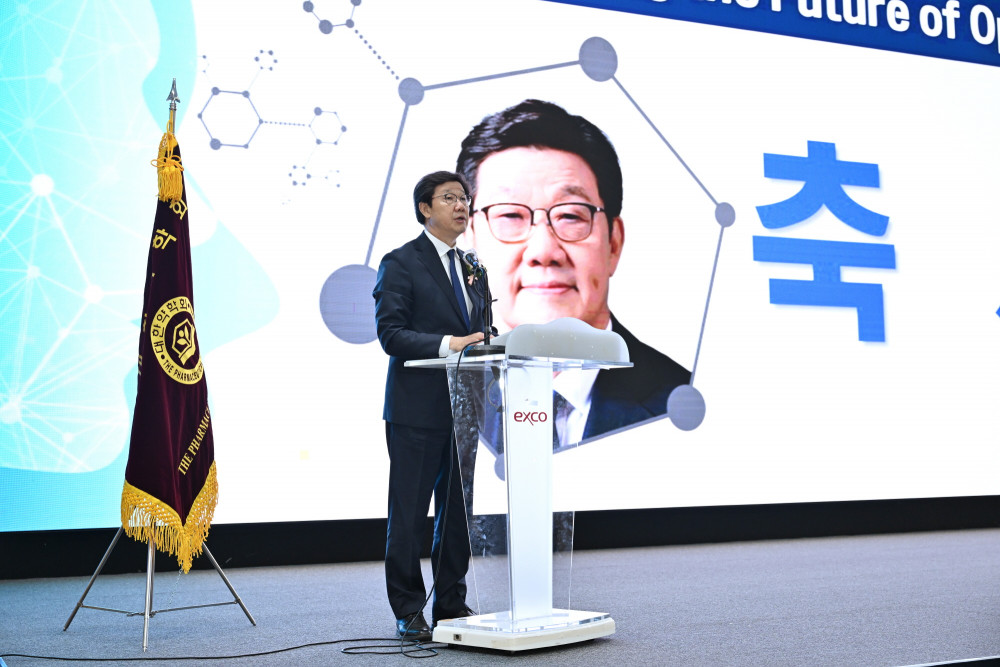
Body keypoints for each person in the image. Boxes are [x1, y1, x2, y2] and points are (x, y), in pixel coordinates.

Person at [457, 99, 690, 446]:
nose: (543, 251)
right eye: (510, 215)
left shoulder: (690, 404)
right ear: (469, 247)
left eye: (570, 215)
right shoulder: (423, 403)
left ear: (613, 244)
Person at [372, 171, 486, 640]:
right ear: (425, 208)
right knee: (409, 513)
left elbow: (480, 331)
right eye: (450, 198)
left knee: (456, 514)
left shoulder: (473, 265)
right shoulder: (401, 262)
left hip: (464, 409)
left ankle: (451, 603)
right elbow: (391, 334)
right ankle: (408, 608)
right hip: (416, 410)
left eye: (465, 198)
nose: (462, 206)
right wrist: (448, 343)